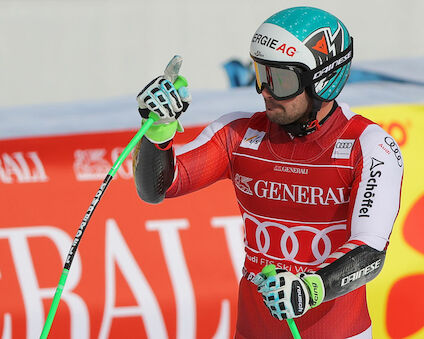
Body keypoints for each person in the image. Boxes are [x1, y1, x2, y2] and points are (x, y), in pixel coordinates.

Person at [133, 6, 403, 339]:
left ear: (322, 80)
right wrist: (158, 130)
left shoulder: (369, 145)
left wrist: (310, 290)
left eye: (281, 80)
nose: (265, 90)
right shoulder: (238, 134)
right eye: (262, 74)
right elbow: (156, 188)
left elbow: (371, 251)